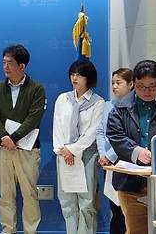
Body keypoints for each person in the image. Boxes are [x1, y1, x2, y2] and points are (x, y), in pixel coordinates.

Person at [107, 60, 156, 234]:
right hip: (131, 183)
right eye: (141, 86)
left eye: (153, 86)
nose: (147, 91)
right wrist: (135, 152)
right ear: (134, 84)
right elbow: (115, 135)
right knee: (137, 229)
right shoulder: (121, 107)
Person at [0, 44, 46, 234]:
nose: (5, 67)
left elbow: (34, 117)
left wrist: (14, 137)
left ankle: (31, 231)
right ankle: (8, 230)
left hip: (27, 150)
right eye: (3, 62)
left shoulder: (37, 88)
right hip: (3, 149)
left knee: (29, 194)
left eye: (10, 63)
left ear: (22, 66)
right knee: (5, 194)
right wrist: (4, 137)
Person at [52, 59, 105, 234]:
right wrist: (63, 150)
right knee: (66, 202)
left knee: (87, 202)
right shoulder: (62, 99)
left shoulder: (98, 103)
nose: (74, 78)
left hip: (86, 155)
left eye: (79, 74)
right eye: (72, 74)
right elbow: (57, 127)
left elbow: (92, 132)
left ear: (88, 78)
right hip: (64, 155)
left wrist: (73, 150)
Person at [96, 68, 132, 234]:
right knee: (114, 208)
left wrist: (110, 156)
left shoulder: (133, 107)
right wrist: (103, 155)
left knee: (127, 210)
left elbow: (125, 137)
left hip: (125, 163)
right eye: (112, 83)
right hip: (108, 164)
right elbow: (101, 132)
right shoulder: (107, 105)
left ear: (131, 84)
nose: (114, 86)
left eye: (119, 83)